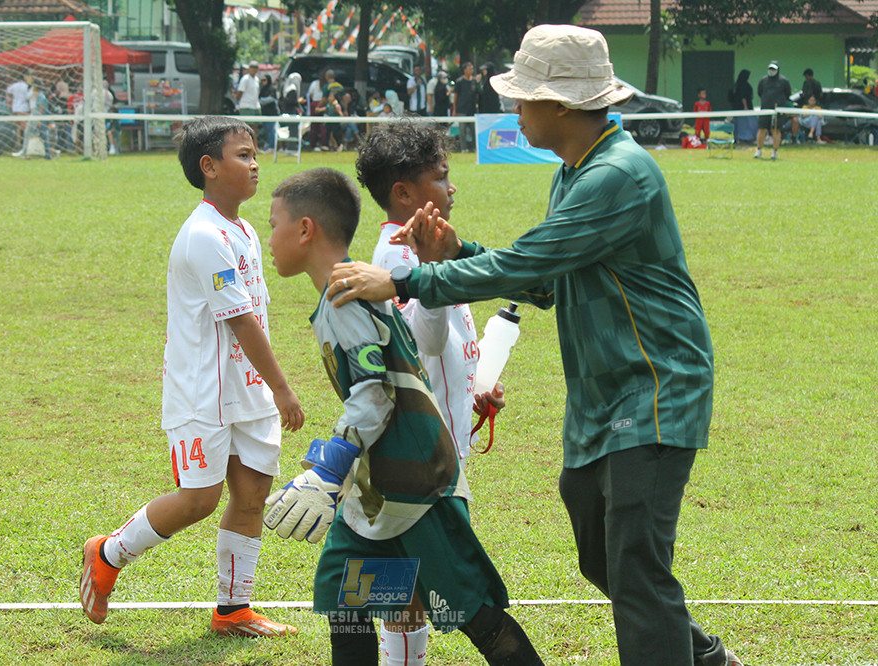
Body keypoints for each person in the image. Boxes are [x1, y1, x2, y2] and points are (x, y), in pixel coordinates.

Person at [327, 24, 745, 666]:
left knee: (632, 566)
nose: (514, 108)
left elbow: (529, 262)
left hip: (655, 388)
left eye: (524, 96)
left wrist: (407, 277)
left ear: (561, 104)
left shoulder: (619, 174)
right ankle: (708, 659)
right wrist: (457, 253)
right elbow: (546, 279)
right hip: (602, 398)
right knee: (600, 553)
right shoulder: (574, 173)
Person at [262, 167, 544, 666]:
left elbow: (376, 394)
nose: (269, 238)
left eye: (273, 224)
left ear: (305, 230)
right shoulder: (347, 290)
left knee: (472, 609)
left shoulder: (345, 297)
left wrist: (328, 467)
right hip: (377, 490)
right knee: (345, 596)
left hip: (417, 486)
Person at [78, 116, 305, 637]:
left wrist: (265, 388)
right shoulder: (204, 234)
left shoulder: (243, 229)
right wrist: (283, 388)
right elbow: (242, 321)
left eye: (253, 153)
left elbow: (252, 315)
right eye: (243, 155)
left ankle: (233, 610)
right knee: (199, 500)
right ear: (209, 167)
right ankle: (108, 553)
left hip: (246, 391)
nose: (255, 164)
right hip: (203, 392)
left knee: (250, 496)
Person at [358, 119, 507, 666]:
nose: (452, 188)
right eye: (441, 178)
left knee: (413, 590)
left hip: (434, 446)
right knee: (421, 593)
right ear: (404, 193)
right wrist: (433, 275)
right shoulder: (398, 259)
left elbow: (441, 350)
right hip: (418, 458)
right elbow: (419, 343)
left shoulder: (423, 249)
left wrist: (475, 386)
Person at [755, 60, 791, 160]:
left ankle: (774, 152)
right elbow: (759, 92)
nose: (771, 71)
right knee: (762, 129)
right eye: (770, 69)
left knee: (776, 130)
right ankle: (758, 150)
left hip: (778, 110)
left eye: (773, 69)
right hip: (765, 109)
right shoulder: (763, 80)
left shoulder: (784, 81)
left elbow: (788, 93)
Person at [453, 62, 478, 151]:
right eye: (470, 69)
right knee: (462, 131)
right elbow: (455, 96)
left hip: (472, 109)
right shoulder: (459, 81)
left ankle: (474, 148)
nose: (472, 70)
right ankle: (463, 149)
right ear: (465, 70)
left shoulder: (474, 81)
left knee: (473, 130)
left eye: (472, 69)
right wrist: (454, 109)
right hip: (461, 109)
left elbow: (477, 95)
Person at [236, 61, 261, 146]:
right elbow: (239, 93)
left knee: (254, 128)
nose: (253, 69)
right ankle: (244, 146)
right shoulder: (245, 79)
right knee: (246, 128)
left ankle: (255, 147)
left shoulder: (257, 79)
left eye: (255, 67)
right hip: (246, 105)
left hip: (255, 106)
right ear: (249, 69)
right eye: (252, 67)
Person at [5, 71, 32, 150]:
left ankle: (18, 143)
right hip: (23, 108)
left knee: (18, 127)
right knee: (25, 126)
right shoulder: (26, 86)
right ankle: (24, 144)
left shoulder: (13, 86)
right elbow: (28, 97)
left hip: (15, 108)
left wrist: (10, 100)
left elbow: (8, 92)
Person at [728, 69, 756, 143]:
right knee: (744, 124)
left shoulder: (736, 85)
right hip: (743, 108)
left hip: (736, 108)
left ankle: (737, 137)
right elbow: (743, 97)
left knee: (737, 124)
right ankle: (745, 137)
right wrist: (745, 107)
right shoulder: (744, 85)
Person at [259, 74, 279, 151]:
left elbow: (272, 98)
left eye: (264, 80)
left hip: (272, 113)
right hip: (264, 113)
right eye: (262, 80)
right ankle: (269, 145)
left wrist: (261, 101)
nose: (263, 82)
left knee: (271, 130)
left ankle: (272, 147)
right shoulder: (262, 89)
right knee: (267, 130)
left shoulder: (272, 89)